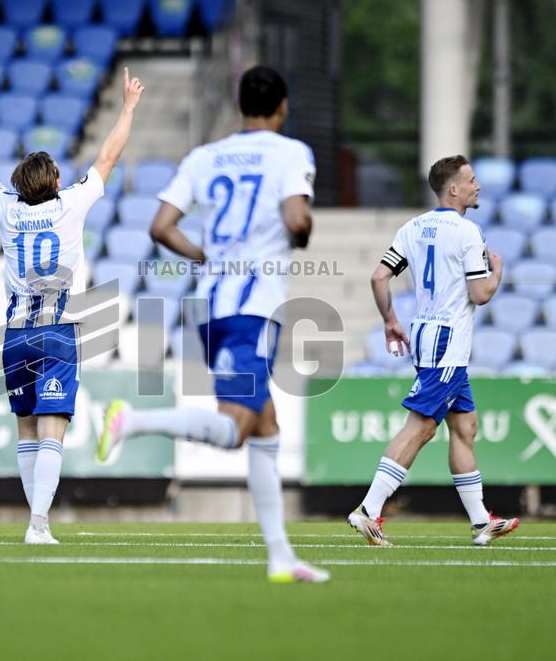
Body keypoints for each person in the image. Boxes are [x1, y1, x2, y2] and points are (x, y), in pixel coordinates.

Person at [96, 65, 329, 583]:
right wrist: (304, 228)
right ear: (283, 105)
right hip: (251, 312)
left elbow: (161, 226)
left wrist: (206, 256)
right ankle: (132, 422)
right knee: (234, 430)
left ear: (241, 104)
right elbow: (296, 220)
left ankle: (281, 559)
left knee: (266, 429)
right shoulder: (292, 154)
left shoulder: (206, 156)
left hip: (212, 306)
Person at [0, 69, 145, 544]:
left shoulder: (9, 210)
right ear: (54, 180)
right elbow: (108, 156)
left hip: (15, 334)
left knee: (27, 431)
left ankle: (35, 521)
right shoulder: (72, 203)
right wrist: (129, 108)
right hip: (58, 330)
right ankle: (38, 524)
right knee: (53, 430)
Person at [347, 154, 519, 547]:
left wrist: (390, 320)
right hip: (447, 339)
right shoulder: (467, 232)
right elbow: (481, 293)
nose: (478, 186)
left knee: (465, 427)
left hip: (426, 333)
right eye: (472, 180)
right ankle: (368, 511)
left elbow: (379, 277)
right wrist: (498, 274)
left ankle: (481, 522)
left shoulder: (414, 227)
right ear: (453, 188)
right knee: (421, 427)